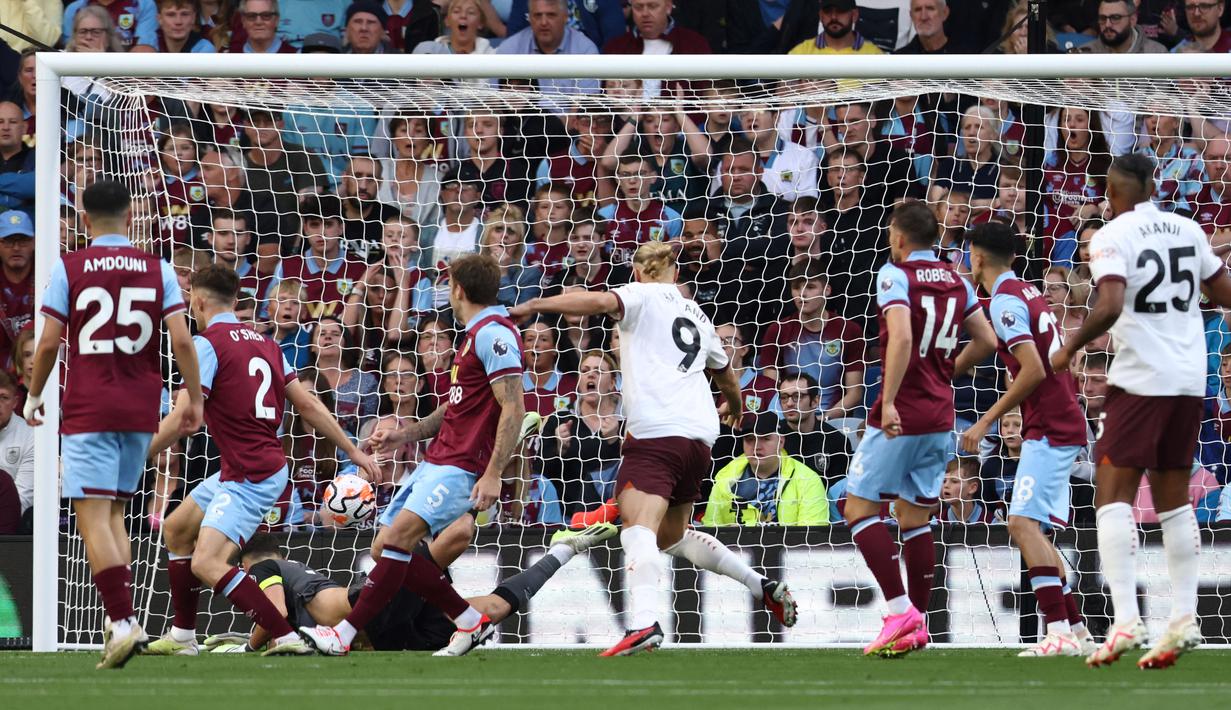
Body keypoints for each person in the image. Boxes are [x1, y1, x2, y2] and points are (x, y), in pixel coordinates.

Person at [510, 241, 797, 657]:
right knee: (671, 535)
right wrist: (735, 409)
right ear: (673, 271)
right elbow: (727, 376)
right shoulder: (697, 314)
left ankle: (643, 623)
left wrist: (537, 302)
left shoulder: (640, 295)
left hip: (658, 433)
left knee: (637, 529)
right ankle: (762, 585)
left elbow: (596, 300)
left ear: (640, 272)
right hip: (700, 438)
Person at [1050, 153, 1231, 668]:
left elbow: (1108, 304)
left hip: (1140, 379)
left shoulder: (1110, 236)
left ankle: (1126, 621)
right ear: (1154, 185)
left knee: (1111, 496)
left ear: (1111, 191)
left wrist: (1069, 347)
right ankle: (1183, 618)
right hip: (1190, 378)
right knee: (1174, 498)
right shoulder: (1187, 228)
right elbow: (1222, 290)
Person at [142, 265, 378, 657]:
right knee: (177, 528)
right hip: (251, 464)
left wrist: (140, 454)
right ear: (234, 300)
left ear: (196, 301)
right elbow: (307, 403)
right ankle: (184, 636)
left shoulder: (206, 344)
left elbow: (185, 417)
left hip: (251, 473)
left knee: (206, 562)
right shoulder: (267, 344)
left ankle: (284, 634)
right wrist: (351, 449)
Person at [300, 254, 528, 658]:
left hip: (461, 466)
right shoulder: (474, 334)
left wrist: (493, 473)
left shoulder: (496, 335)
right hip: (437, 459)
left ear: (458, 289)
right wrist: (402, 436)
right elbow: (455, 408)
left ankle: (345, 634)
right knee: (383, 548)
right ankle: (467, 619)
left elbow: (513, 406)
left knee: (397, 540)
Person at [24, 179, 204, 669]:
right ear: (130, 217)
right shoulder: (159, 269)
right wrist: (194, 401)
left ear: (84, 220)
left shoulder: (70, 267)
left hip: (90, 406)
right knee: (118, 514)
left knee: (92, 518)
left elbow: (46, 345)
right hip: (142, 407)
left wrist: (35, 395)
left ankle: (122, 620)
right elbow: (182, 342)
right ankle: (122, 623)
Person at [843, 200, 996, 658]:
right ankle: (918, 624)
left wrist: (887, 400)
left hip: (902, 412)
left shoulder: (894, 274)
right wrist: (948, 371)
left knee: (858, 510)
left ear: (900, 237)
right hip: (940, 414)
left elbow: (904, 337)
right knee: (914, 517)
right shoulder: (957, 278)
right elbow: (987, 339)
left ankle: (898, 611)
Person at [959, 222, 1096, 657]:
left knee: (1020, 525)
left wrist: (985, 421)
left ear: (977, 257)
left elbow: (1034, 368)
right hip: (1058, 420)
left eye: (969, 254)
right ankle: (1075, 629)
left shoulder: (1003, 302)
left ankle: (1055, 631)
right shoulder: (1028, 291)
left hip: (1051, 425)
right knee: (1033, 530)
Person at [222, 523, 616, 652]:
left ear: (243, 563)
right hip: (395, 633)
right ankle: (563, 550)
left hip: (375, 607)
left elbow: (274, 615)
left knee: (452, 539)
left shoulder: (265, 567)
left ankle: (483, 483)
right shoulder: (291, 569)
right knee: (490, 612)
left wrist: (246, 648)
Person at [703, 413, 829, 526]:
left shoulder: (808, 480)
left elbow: (812, 539)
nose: (757, 446)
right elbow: (710, 527)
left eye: (765, 438)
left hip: (787, 551)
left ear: (781, 442)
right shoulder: (725, 479)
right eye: (750, 439)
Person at [776, 370, 853, 488]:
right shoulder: (772, 437)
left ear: (815, 401)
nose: (789, 403)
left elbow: (837, 492)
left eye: (798, 396)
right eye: (784, 397)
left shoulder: (837, 441)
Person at [0, 211, 34, 370]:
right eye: (8, 241)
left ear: (34, 243)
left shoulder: (48, 275)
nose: (16, 247)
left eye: (23, 241)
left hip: (40, 365)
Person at [787, 0, 883, 55]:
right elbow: (782, 89)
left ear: (854, 15)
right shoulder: (802, 52)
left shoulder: (874, 54)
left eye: (841, 11)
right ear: (820, 15)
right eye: (828, 11)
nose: (833, 17)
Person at [1075, 0, 1168, 53]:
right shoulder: (1085, 54)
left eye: (1115, 18)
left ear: (1132, 20)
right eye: (1103, 18)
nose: (1107, 24)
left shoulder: (1157, 53)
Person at [63, 0, 158, 50]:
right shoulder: (74, 9)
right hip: (80, 73)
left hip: (127, 78)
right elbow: (71, 48)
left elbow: (145, 50)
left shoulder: (143, 4)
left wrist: (102, 62)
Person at [895, 0, 970, 53]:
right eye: (917, 10)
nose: (923, 17)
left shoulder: (967, 57)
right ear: (911, 16)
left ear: (944, 13)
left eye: (930, 8)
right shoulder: (898, 61)